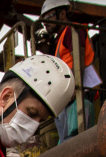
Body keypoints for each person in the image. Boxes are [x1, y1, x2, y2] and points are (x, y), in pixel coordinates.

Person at [39, 0, 100, 142]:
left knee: (78, 141)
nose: (45, 23)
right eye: (43, 20)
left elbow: (78, 56)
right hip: (67, 96)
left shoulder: (72, 30)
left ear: (62, 13)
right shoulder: (60, 38)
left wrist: (74, 86)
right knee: (66, 143)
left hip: (77, 94)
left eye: (48, 17)